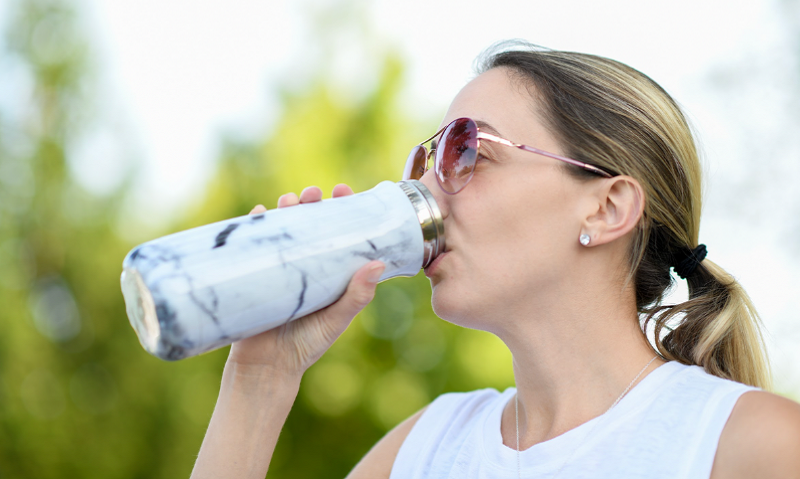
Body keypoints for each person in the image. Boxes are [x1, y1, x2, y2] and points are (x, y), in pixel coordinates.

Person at [190, 43, 800, 479]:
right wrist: (260, 381)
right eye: (424, 161)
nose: (426, 191)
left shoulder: (751, 446)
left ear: (607, 207)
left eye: (467, 150)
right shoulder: (422, 449)